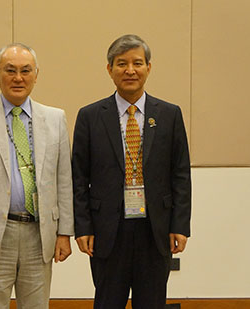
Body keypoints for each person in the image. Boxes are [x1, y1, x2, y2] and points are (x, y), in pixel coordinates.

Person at [72, 34, 191, 308]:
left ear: (149, 67)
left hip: (155, 229)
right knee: (107, 302)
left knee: (151, 303)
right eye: (121, 63)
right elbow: (79, 178)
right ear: (109, 69)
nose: (129, 70)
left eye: (137, 63)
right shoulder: (90, 116)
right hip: (107, 231)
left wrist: (180, 225)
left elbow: (181, 174)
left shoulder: (169, 114)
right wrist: (83, 226)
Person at [0, 43, 74, 309]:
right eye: (10, 70)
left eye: (25, 71)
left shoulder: (55, 119)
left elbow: (64, 180)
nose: (18, 78)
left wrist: (65, 232)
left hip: (39, 233)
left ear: (36, 75)